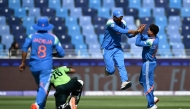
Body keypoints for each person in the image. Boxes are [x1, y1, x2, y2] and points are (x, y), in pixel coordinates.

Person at [19, 17, 65, 109]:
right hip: (46, 67)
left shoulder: (31, 36)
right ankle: (37, 104)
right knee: (43, 87)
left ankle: (41, 107)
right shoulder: (53, 37)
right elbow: (62, 53)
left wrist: (23, 62)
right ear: (48, 27)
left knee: (41, 86)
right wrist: (52, 54)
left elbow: (24, 48)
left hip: (33, 66)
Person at [101, 9, 141, 90]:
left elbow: (129, 35)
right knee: (111, 71)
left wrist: (137, 32)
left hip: (117, 48)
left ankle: (124, 82)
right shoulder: (110, 22)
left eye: (121, 17)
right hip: (107, 48)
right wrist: (134, 31)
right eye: (118, 17)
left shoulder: (123, 23)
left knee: (121, 65)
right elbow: (120, 30)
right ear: (114, 17)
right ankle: (108, 70)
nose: (120, 19)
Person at [135, 24, 160, 109]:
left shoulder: (151, 41)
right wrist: (140, 32)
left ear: (152, 32)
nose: (147, 31)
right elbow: (144, 37)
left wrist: (139, 34)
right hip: (150, 62)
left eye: (149, 30)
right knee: (142, 81)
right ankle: (152, 98)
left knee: (147, 83)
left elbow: (137, 43)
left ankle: (151, 105)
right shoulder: (156, 38)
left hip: (148, 63)